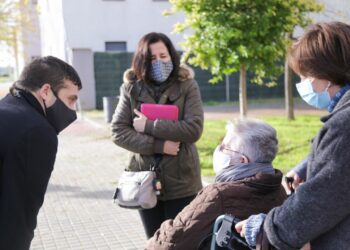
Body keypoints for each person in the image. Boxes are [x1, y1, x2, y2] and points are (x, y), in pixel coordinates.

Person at [235, 21, 350, 250]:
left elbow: (320, 200)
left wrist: (267, 228)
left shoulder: (344, 124)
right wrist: (308, 167)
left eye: (304, 76)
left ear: (324, 74)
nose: (302, 84)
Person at [111, 32, 204, 238]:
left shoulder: (187, 85)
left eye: (163, 56)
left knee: (180, 241)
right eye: (152, 58)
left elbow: (194, 129)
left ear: (171, 55)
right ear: (142, 60)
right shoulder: (131, 88)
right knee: (154, 241)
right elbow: (118, 131)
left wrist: (149, 126)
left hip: (182, 181)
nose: (159, 62)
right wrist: (159, 146)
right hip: (144, 179)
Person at [146, 119, 287, 250]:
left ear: (242, 160)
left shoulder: (219, 195)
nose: (218, 149)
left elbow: (170, 243)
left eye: (225, 147)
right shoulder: (280, 190)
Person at [0, 56, 82, 249]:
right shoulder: (37, 132)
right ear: (46, 91)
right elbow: (18, 217)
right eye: (71, 100)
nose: (73, 110)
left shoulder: (6, 108)